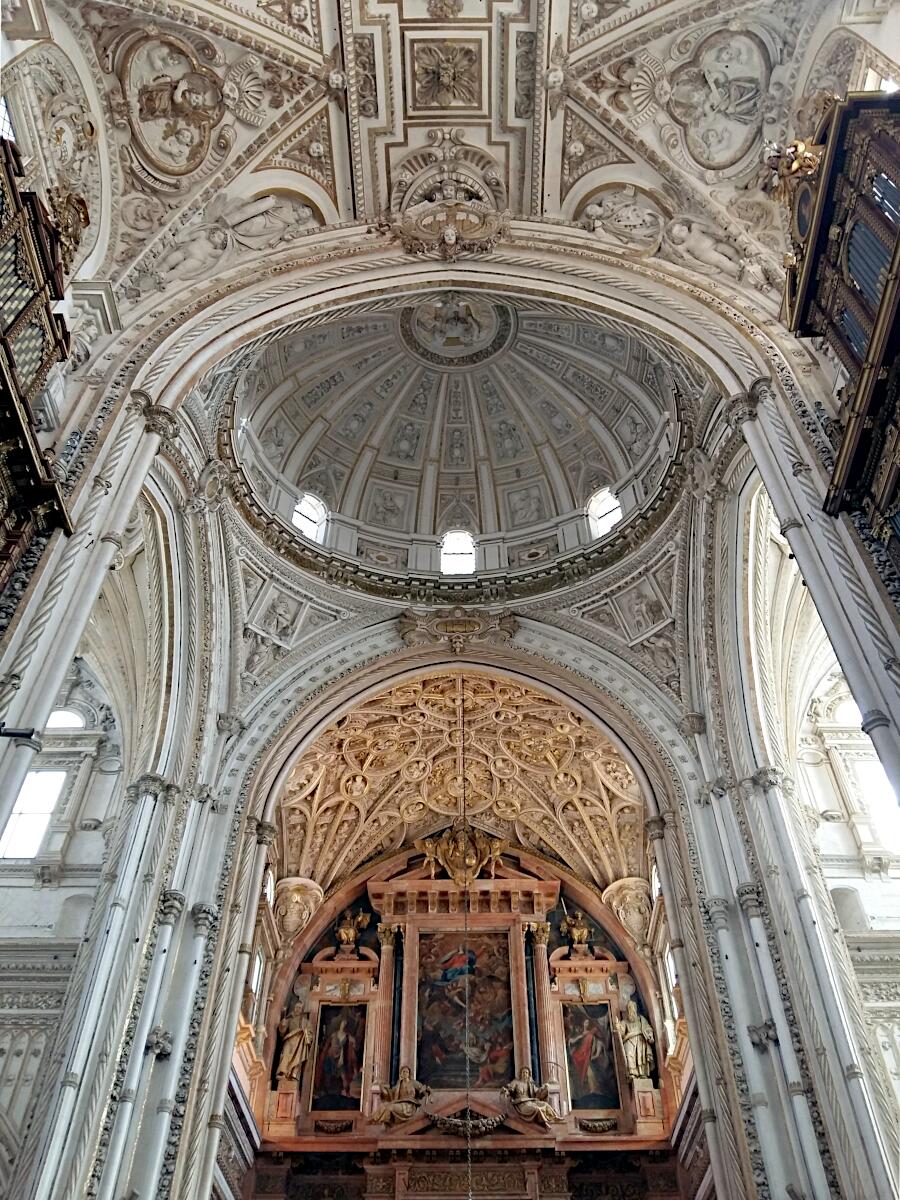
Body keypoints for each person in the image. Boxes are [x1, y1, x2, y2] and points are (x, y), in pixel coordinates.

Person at [616, 1000, 655, 1079]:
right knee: (629, 1055)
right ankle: (632, 1073)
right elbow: (622, 1033)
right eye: (629, 1009)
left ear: (635, 1009)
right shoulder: (625, 1022)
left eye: (632, 1008)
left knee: (640, 1056)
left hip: (640, 1040)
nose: (631, 1011)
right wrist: (618, 1027)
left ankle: (642, 1073)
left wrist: (650, 1035)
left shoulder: (641, 1019)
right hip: (629, 1040)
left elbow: (647, 1028)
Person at [275, 1002, 313, 1082]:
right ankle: (282, 1072)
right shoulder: (289, 1019)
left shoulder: (305, 1022)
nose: (297, 1009)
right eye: (296, 1007)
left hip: (300, 1043)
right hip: (289, 1040)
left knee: (298, 1057)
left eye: (299, 1008)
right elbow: (282, 1033)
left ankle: (293, 1074)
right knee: (285, 1054)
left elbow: (310, 1034)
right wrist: (283, 1025)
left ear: (302, 1010)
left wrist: (305, 1032)